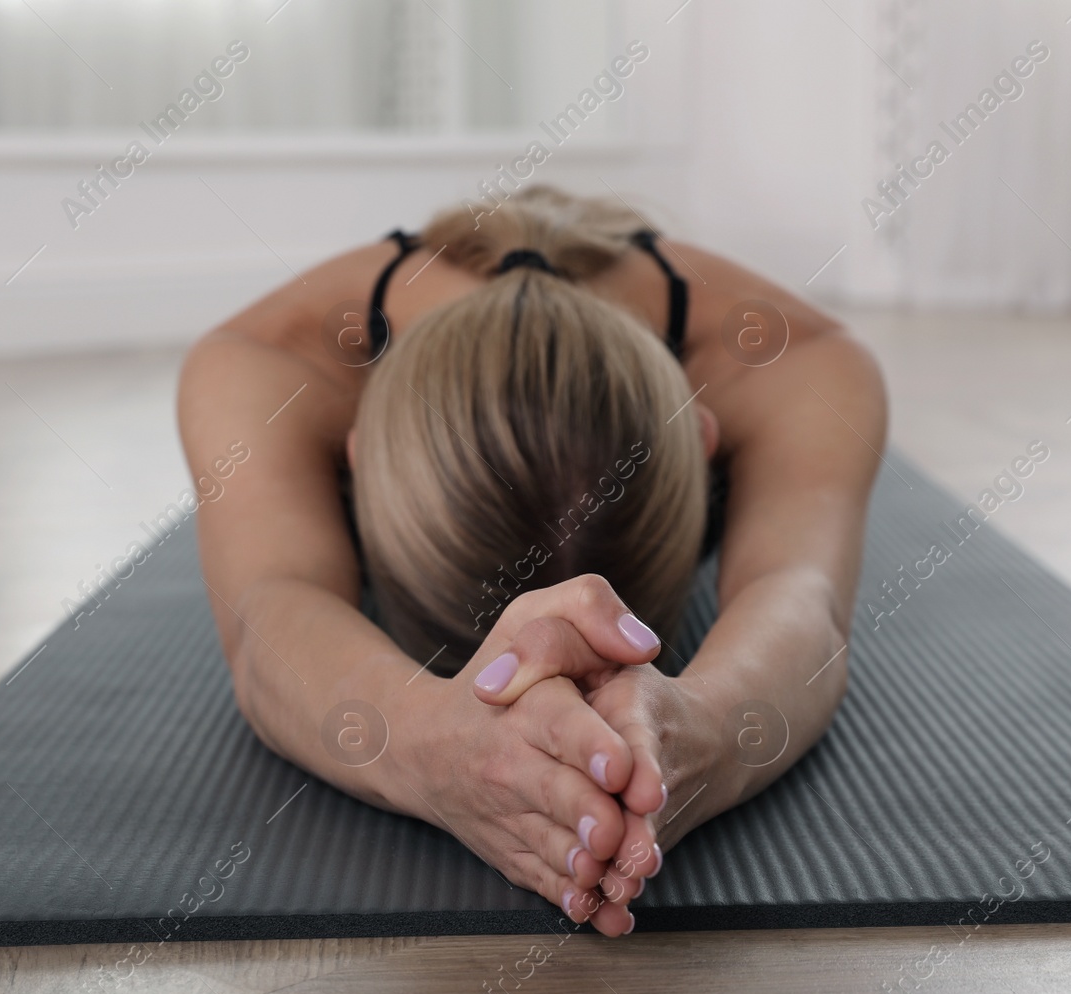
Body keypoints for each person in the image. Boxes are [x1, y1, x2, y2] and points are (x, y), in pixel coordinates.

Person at [178, 186, 884, 937]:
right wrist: (428, 746)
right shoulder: (269, 361)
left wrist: (690, 737)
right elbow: (268, 611)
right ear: (355, 462)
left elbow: (802, 597)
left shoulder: (795, 358)